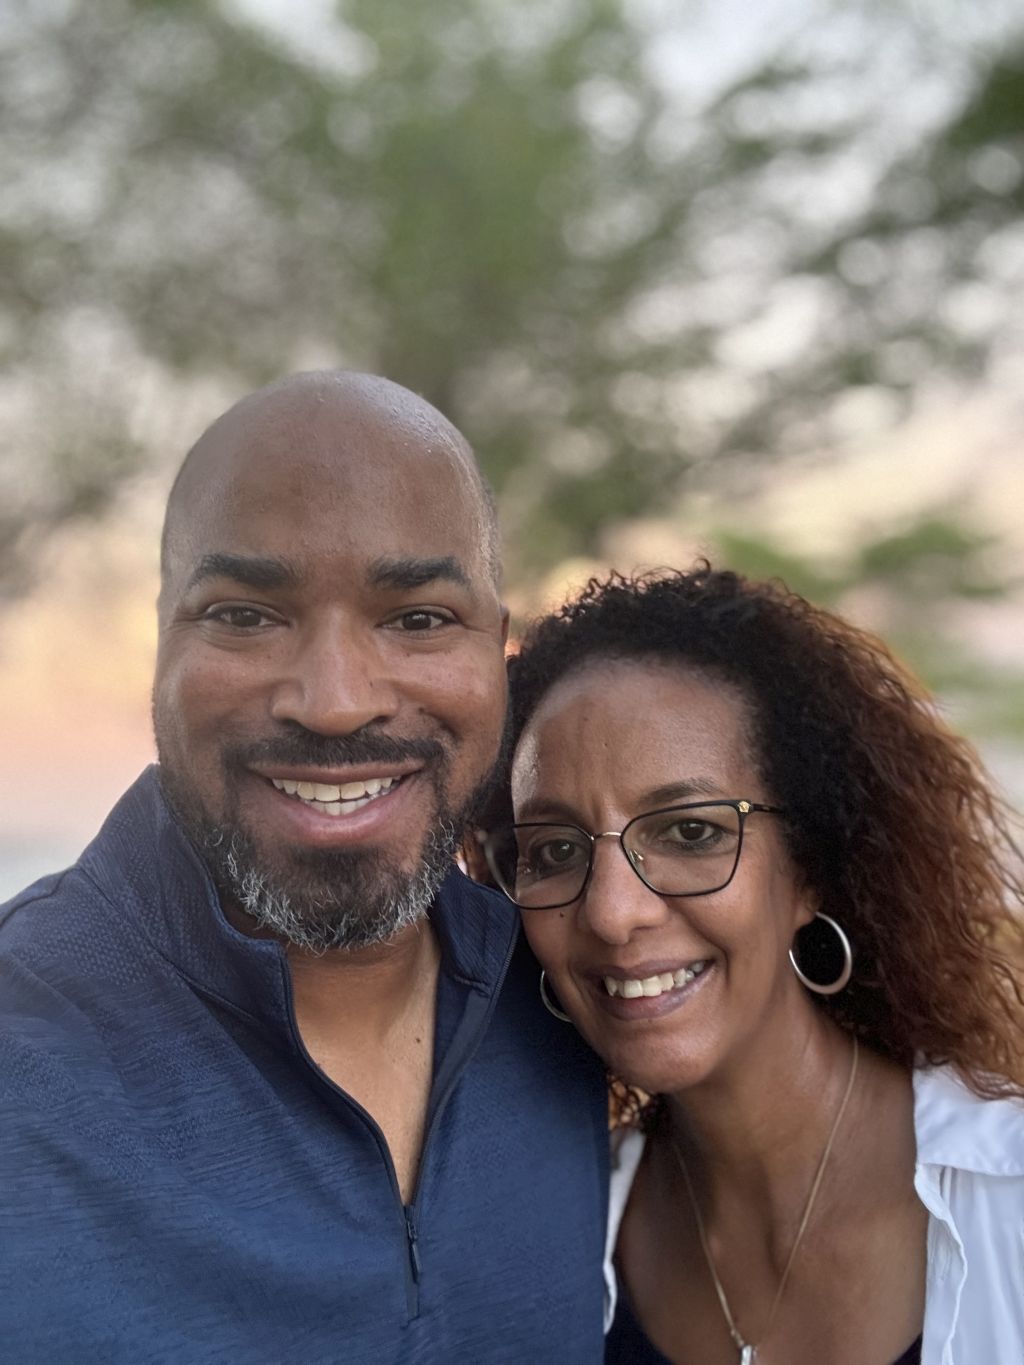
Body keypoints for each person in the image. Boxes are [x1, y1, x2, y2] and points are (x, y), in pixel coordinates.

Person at [0, 372, 608, 1364]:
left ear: (497, 654)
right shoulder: (23, 1069)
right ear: (161, 647)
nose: (333, 702)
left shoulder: (567, 994)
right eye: (245, 614)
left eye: (416, 617)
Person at [482, 564, 1024, 1365]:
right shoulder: (551, 1235)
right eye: (555, 850)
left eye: (691, 832)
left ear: (808, 866)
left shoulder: (1007, 1200)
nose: (611, 911)